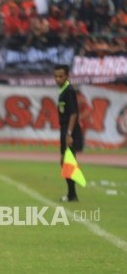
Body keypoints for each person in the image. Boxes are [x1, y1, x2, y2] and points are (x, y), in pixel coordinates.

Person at [53, 64, 83, 202]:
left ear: (67, 76)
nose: (57, 79)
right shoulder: (63, 90)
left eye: (60, 76)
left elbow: (73, 114)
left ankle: (72, 194)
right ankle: (71, 193)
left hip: (69, 130)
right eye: (56, 76)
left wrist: (69, 133)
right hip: (64, 129)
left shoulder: (69, 91)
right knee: (64, 161)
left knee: (67, 161)